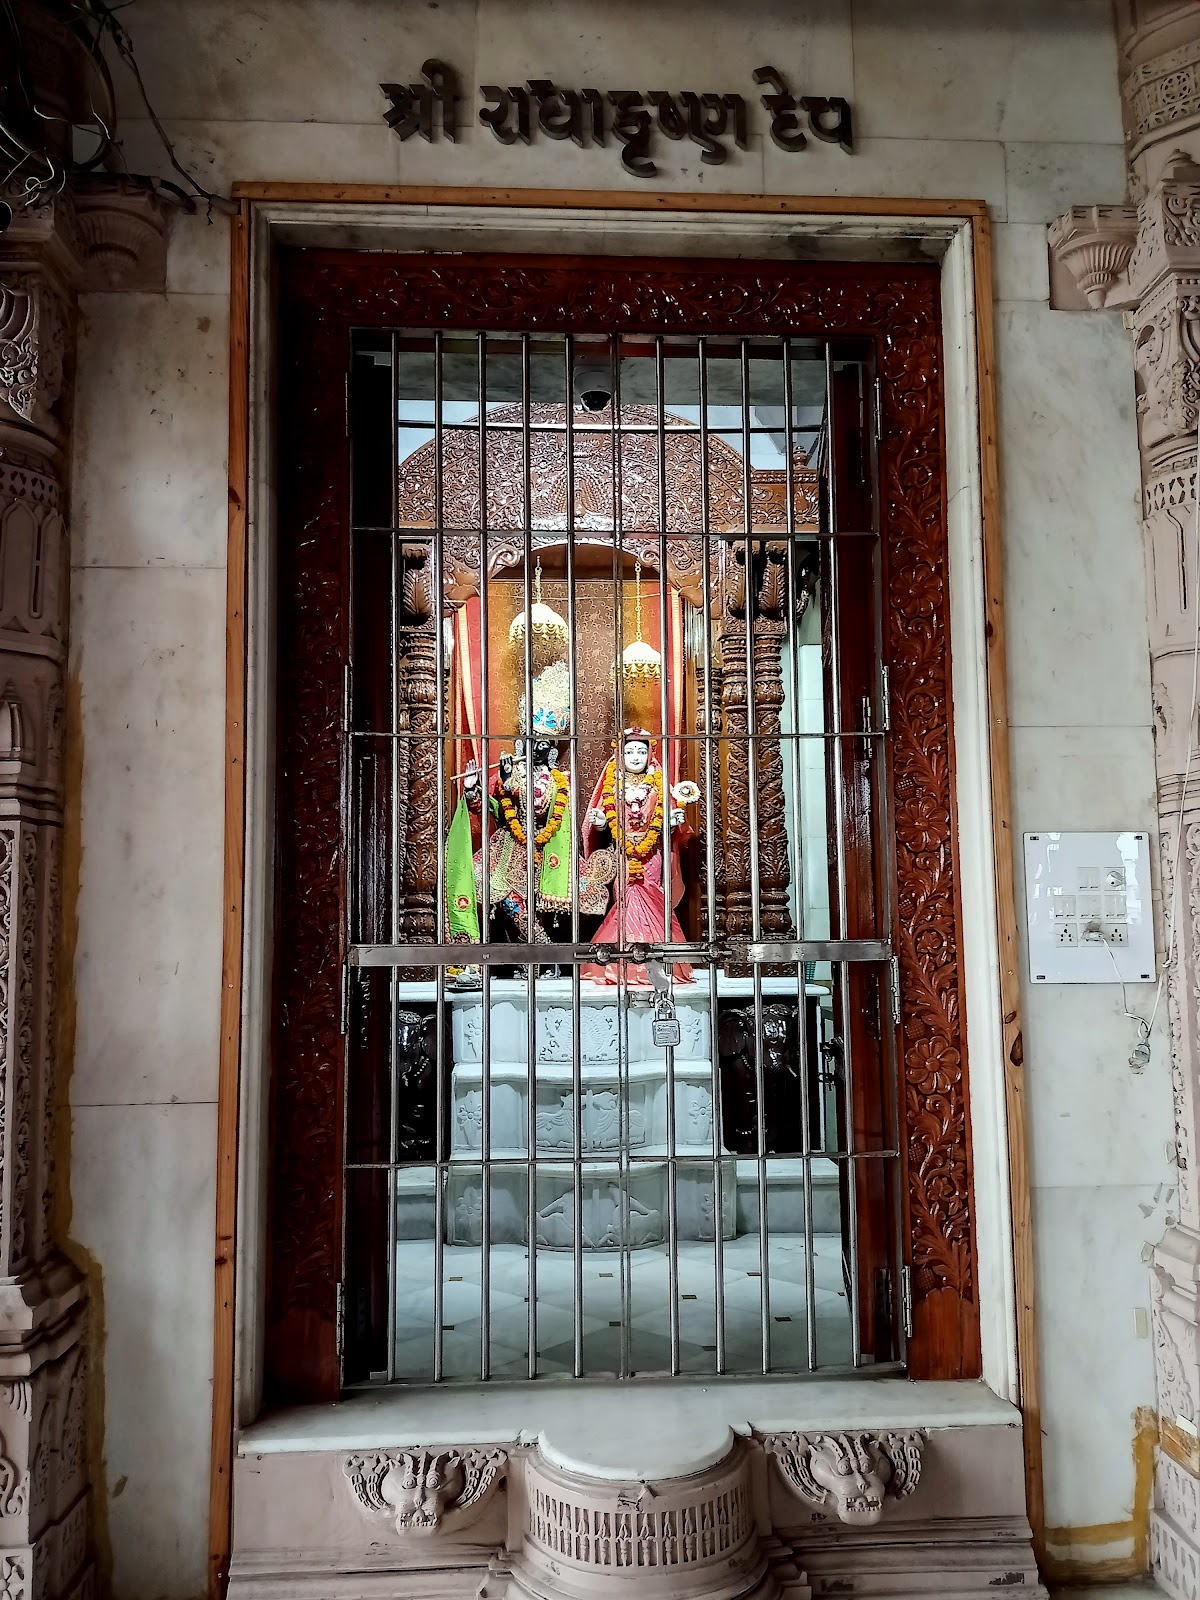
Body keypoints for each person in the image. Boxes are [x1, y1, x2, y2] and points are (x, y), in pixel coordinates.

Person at [580, 728, 696, 986]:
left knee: (652, 899)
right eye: (629, 751)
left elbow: (668, 820)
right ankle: (625, 965)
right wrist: (600, 823)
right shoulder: (613, 781)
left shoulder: (658, 781)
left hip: (652, 853)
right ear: (620, 754)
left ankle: (658, 963)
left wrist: (673, 821)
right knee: (626, 901)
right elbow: (601, 821)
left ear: (650, 753)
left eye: (641, 751)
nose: (635, 756)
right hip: (622, 853)